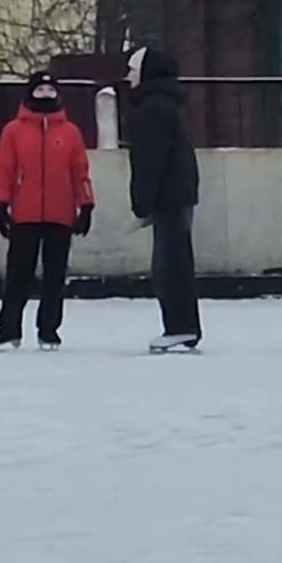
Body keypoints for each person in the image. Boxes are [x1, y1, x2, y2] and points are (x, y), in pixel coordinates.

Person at [0, 71, 94, 351]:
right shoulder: (14, 131)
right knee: (19, 274)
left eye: (50, 90)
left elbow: (80, 172)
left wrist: (86, 204)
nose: (45, 94)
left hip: (60, 214)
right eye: (40, 90)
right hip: (25, 214)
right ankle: (8, 328)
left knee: (55, 276)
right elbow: (5, 170)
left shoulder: (70, 132)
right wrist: (1, 204)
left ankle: (49, 330)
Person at [126, 46, 202, 351]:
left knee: (170, 265)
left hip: (168, 197)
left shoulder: (152, 110)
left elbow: (149, 160)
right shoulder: (167, 106)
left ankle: (179, 326)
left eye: (132, 69)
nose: (128, 76)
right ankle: (182, 325)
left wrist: (141, 203)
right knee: (176, 261)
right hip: (178, 193)